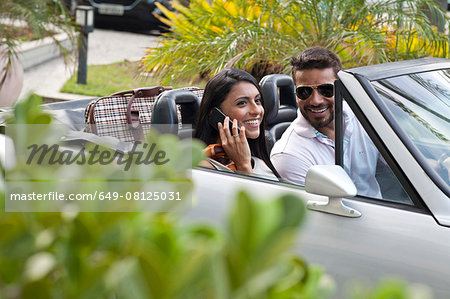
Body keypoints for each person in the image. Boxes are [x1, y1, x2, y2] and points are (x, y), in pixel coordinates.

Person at [270, 47, 381, 197]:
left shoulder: (366, 117)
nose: (316, 101)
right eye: (304, 92)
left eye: (326, 90)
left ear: (342, 88)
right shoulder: (288, 155)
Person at [194, 68, 279, 179]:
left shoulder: (258, 161)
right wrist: (243, 166)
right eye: (242, 103)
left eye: (257, 100)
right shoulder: (204, 170)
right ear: (215, 114)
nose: (257, 110)